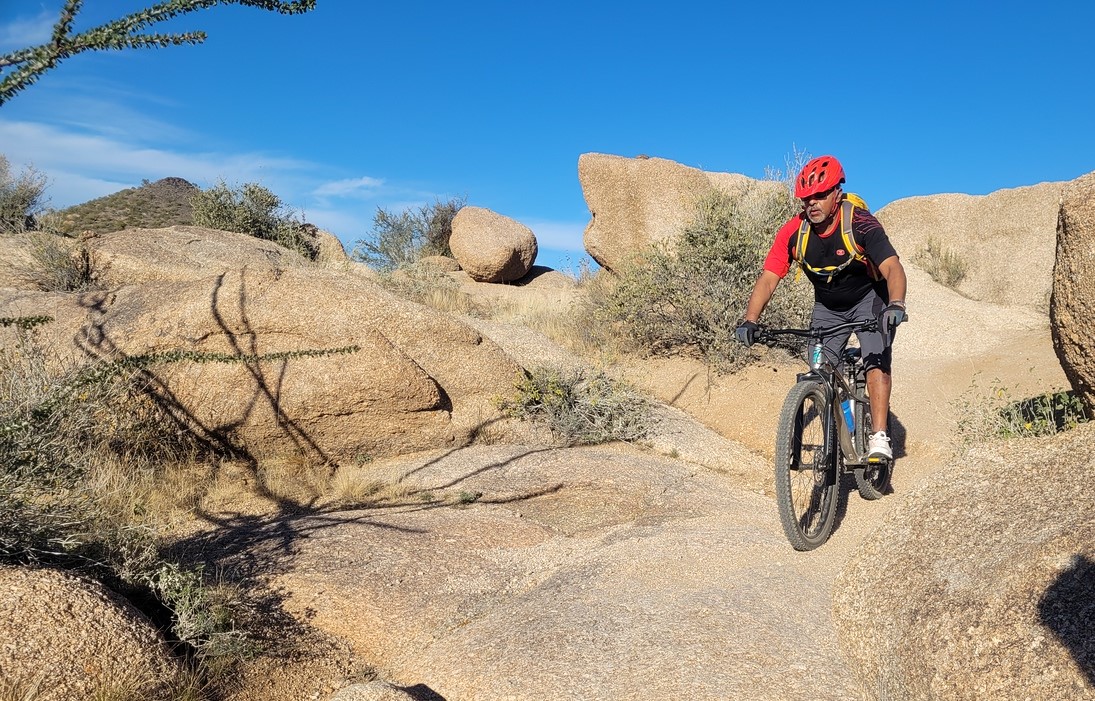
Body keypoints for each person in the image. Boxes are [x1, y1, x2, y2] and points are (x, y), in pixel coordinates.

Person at [735, 155, 907, 460]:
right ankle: (845, 425)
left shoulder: (860, 224)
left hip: (870, 301)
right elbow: (769, 278)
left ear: (837, 194)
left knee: (876, 362)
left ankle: (879, 436)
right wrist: (750, 319)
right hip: (827, 308)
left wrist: (895, 304)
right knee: (820, 370)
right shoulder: (793, 233)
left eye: (820, 195)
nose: (812, 203)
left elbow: (892, 267)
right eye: (806, 198)